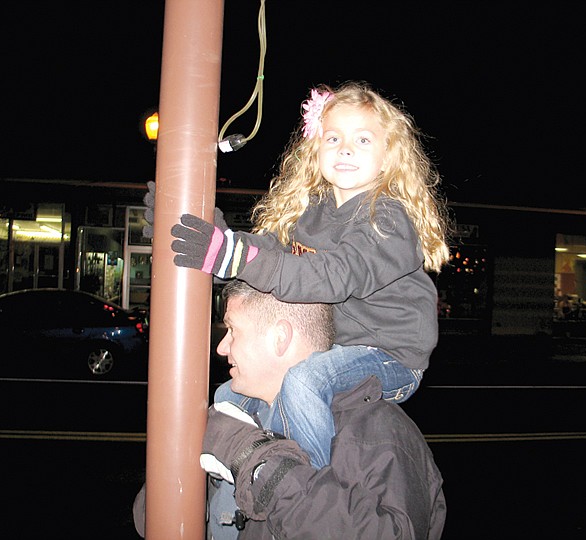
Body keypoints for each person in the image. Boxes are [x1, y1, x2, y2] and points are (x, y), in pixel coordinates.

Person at [167, 81, 452, 469]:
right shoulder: (313, 213)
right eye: (333, 137)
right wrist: (220, 243)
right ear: (315, 149)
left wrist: (235, 256)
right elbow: (273, 252)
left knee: (303, 381)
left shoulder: (388, 218)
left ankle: (306, 486)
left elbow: (332, 275)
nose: (346, 148)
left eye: (363, 140)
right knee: (231, 395)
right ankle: (243, 462)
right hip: (334, 348)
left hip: (391, 357)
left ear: (389, 157)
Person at [134, 279, 447, 538]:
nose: (222, 347)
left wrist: (256, 462)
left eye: (233, 330)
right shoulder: (240, 415)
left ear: (280, 338)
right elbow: (148, 519)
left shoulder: (377, 429)